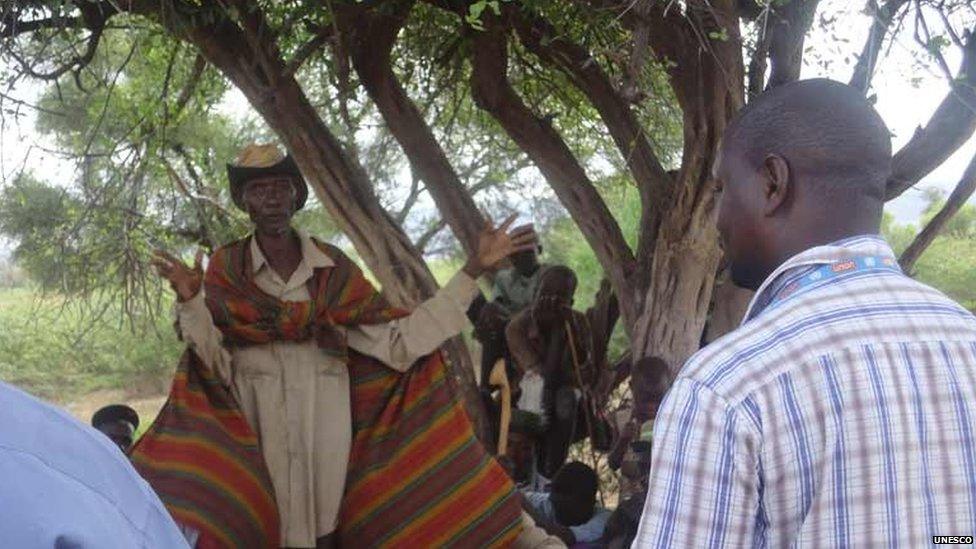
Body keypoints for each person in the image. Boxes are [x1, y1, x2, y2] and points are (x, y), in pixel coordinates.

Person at [149, 144, 552, 548]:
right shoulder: (228, 271)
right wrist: (191, 302)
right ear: (244, 201)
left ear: (295, 195)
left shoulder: (333, 272)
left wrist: (473, 269)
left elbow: (399, 344)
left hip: (331, 462)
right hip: (258, 452)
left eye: (280, 186)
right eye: (258, 189)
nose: (271, 197)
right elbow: (213, 366)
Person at [634, 79, 976, 546]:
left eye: (722, 188)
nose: (717, 218)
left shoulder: (726, 388)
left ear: (773, 183)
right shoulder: (967, 340)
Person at [0, 381, 188, 547]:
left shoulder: (136, 478)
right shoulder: (77, 474)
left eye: (126, 441)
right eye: (113, 439)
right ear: (98, 438)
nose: (120, 447)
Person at [507, 266, 600, 477]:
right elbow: (541, 381)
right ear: (535, 294)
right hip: (526, 399)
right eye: (545, 294)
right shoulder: (518, 327)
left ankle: (552, 473)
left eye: (559, 298)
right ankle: (530, 472)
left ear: (571, 302)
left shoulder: (578, 322)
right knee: (550, 396)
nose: (550, 301)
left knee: (566, 399)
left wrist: (567, 333)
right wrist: (558, 336)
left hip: (567, 403)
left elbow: (587, 376)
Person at [523, 461, 611, 546]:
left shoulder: (604, 520)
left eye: (564, 509)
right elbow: (523, 497)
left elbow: (564, 537)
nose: (556, 511)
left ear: (589, 502)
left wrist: (530, 511)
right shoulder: (548, 502)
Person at [492, 245, 547, 316]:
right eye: (514, 255)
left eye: (527, 252)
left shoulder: (549, 275)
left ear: (539, 249)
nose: (520, 258)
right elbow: (496, 306)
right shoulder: (503, 278)